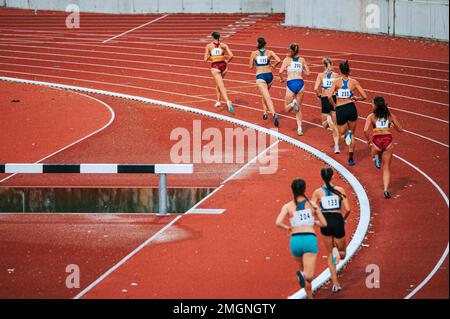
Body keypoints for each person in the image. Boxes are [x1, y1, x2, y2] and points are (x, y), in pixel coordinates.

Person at [276, 178, 327, 299]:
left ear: (292, 190)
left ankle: (310, 297)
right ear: (305, 189)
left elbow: (278, 222)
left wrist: (287, 228)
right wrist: (313, 222)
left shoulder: (288, 206)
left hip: (295, 241)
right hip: (309, 240)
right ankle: (303, 276)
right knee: (308, 276)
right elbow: (324, 223)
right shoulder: (313, 205)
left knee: (303, 272)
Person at [312, 167, 351, 293]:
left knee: (330, 255)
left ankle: (336, 284)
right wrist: (343, 219)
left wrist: (319, 216)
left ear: (321, 177)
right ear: (333, 176)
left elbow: (312, 209)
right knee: (342, 254)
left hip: (326, 222)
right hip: (338, 221)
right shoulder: (340, 190)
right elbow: (348, 209)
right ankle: (335, 279)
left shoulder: (317, 192)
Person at [328, 60, 367, 166]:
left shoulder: (336, 82)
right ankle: (350, 158)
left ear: (340, 71)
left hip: (340, 109)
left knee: (341, 134)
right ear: (349, 70)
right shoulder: (354, 82)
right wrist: (356, 99)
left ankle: (346, 135)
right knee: (352, 134)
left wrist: (334, 105)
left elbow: (329, 95)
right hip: (351, 108)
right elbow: (365, 96)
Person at [364, 96, 404, 199]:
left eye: (372, 103)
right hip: (388, 141)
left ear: (376, 106)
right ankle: (386, 190)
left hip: (377, 141)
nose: (371, 105)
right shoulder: (390, 115)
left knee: (374, 150)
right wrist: (392, 125)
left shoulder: (371, 116)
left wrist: (368, 140)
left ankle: (375, 157)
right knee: (386, 168)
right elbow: (400, 129)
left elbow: (365, 130)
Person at [279, 43, 310, 136]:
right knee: (298, 109)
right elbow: (308, 73)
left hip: (291, 84)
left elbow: (280, 72)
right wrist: (302, 70)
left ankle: (293, 103)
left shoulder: (287, 60)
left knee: (286, 109)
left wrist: (281, 79)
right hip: (300, 84)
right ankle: (299, 128)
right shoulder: (302, 60)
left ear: (290, 50)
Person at [249, 37, 282, 127]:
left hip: (260, 76)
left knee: (267, 96)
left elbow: (250, 66)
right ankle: (265, 112)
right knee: (264, 94)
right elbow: (279, 60)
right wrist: (274, 66)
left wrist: (256, 63)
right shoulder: (270, 52)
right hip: (270, 76)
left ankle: (274, 114)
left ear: (258, 44)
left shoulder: (254, 53)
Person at [204, 31, 234, 113]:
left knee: (221, 85)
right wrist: (227, 62)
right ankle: (218, 101)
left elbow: (205, 59)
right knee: (218, 84)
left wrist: (211, 55)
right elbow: (231, 55)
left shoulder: (209, 46)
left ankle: (227, 101)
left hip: (215, 66)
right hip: (224, 66)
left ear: (212, 37)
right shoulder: (224, 45)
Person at [314, 58, 340, 153]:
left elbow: (315, 88)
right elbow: (340, 87)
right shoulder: (336, 75)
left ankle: (328, 120)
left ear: (324, 65)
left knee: (324, 125)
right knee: (335, 126)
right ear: (330, 65)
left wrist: (319, 94)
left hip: (325, 99)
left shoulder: (320, 75)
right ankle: (336, 146)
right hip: (333, 99)